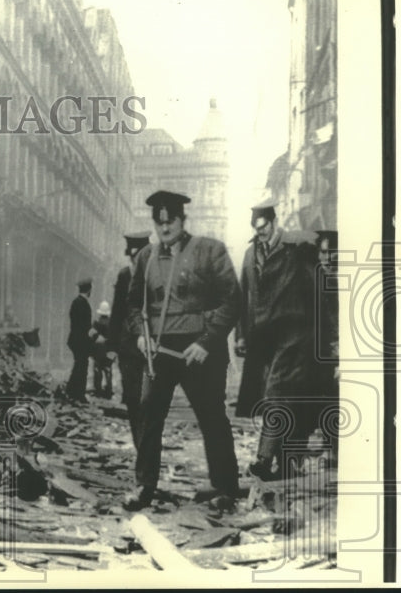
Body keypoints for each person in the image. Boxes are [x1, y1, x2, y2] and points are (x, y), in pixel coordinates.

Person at [124, 190, 241, 512]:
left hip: (200, 350)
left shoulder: (209, 251)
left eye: (170, 221)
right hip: (160, 350)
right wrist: (139, 335)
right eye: (158, 222)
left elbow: (232, 301)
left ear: (182, 219)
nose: (164, 228)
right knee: (149, 414)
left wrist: (207, 342)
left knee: (212, 417)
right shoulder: (146, 258)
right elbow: (133, 304)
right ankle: (144, 485)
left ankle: (225, 487)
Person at [234, 203, 321, 481]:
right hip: (264, 340)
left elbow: (318, 291)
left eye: (264, 228)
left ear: (273, 222)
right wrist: (241, 335)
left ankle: (264, 457)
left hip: (294, 336)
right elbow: (242, 297)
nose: (260, 234)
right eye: (256, 230)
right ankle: (287, 465)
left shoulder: (296, 249)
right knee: (284, 399)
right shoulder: (250, 255)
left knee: (275, 392)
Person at [109, 231, 152, 449]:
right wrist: (111, 347)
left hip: (151, 349)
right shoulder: (125, 276)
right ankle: (140, 445)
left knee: (149, 401)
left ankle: (147, 443)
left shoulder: (156, 275)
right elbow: (117, 312)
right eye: (133, 257)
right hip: (127, 348)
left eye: (141, 257)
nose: (136, 261)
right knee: (134, 401)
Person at [313, 229, 339, 462]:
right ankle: (328, 444)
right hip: (321, 350)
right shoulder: (316, 280)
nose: (327, 258)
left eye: (332, 252)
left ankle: (335, 449)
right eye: (323, 252)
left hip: (341, 351)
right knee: (323, 396)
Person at [65, 277, 94, 404]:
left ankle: (71, 390)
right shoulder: (83, 304)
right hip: (81, 340)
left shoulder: (76, 302)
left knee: (79, 365)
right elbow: (84, 325)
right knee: (82, 366)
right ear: (89, 290)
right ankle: (79, 394)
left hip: (75, 339)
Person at [89, 301, 114, 398]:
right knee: (108, 371)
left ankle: (98, 391)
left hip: (98, 353)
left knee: (97, 371)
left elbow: (91, 335)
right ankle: (108, 392)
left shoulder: (96, 324)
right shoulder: (111, 324)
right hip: (108, 352)